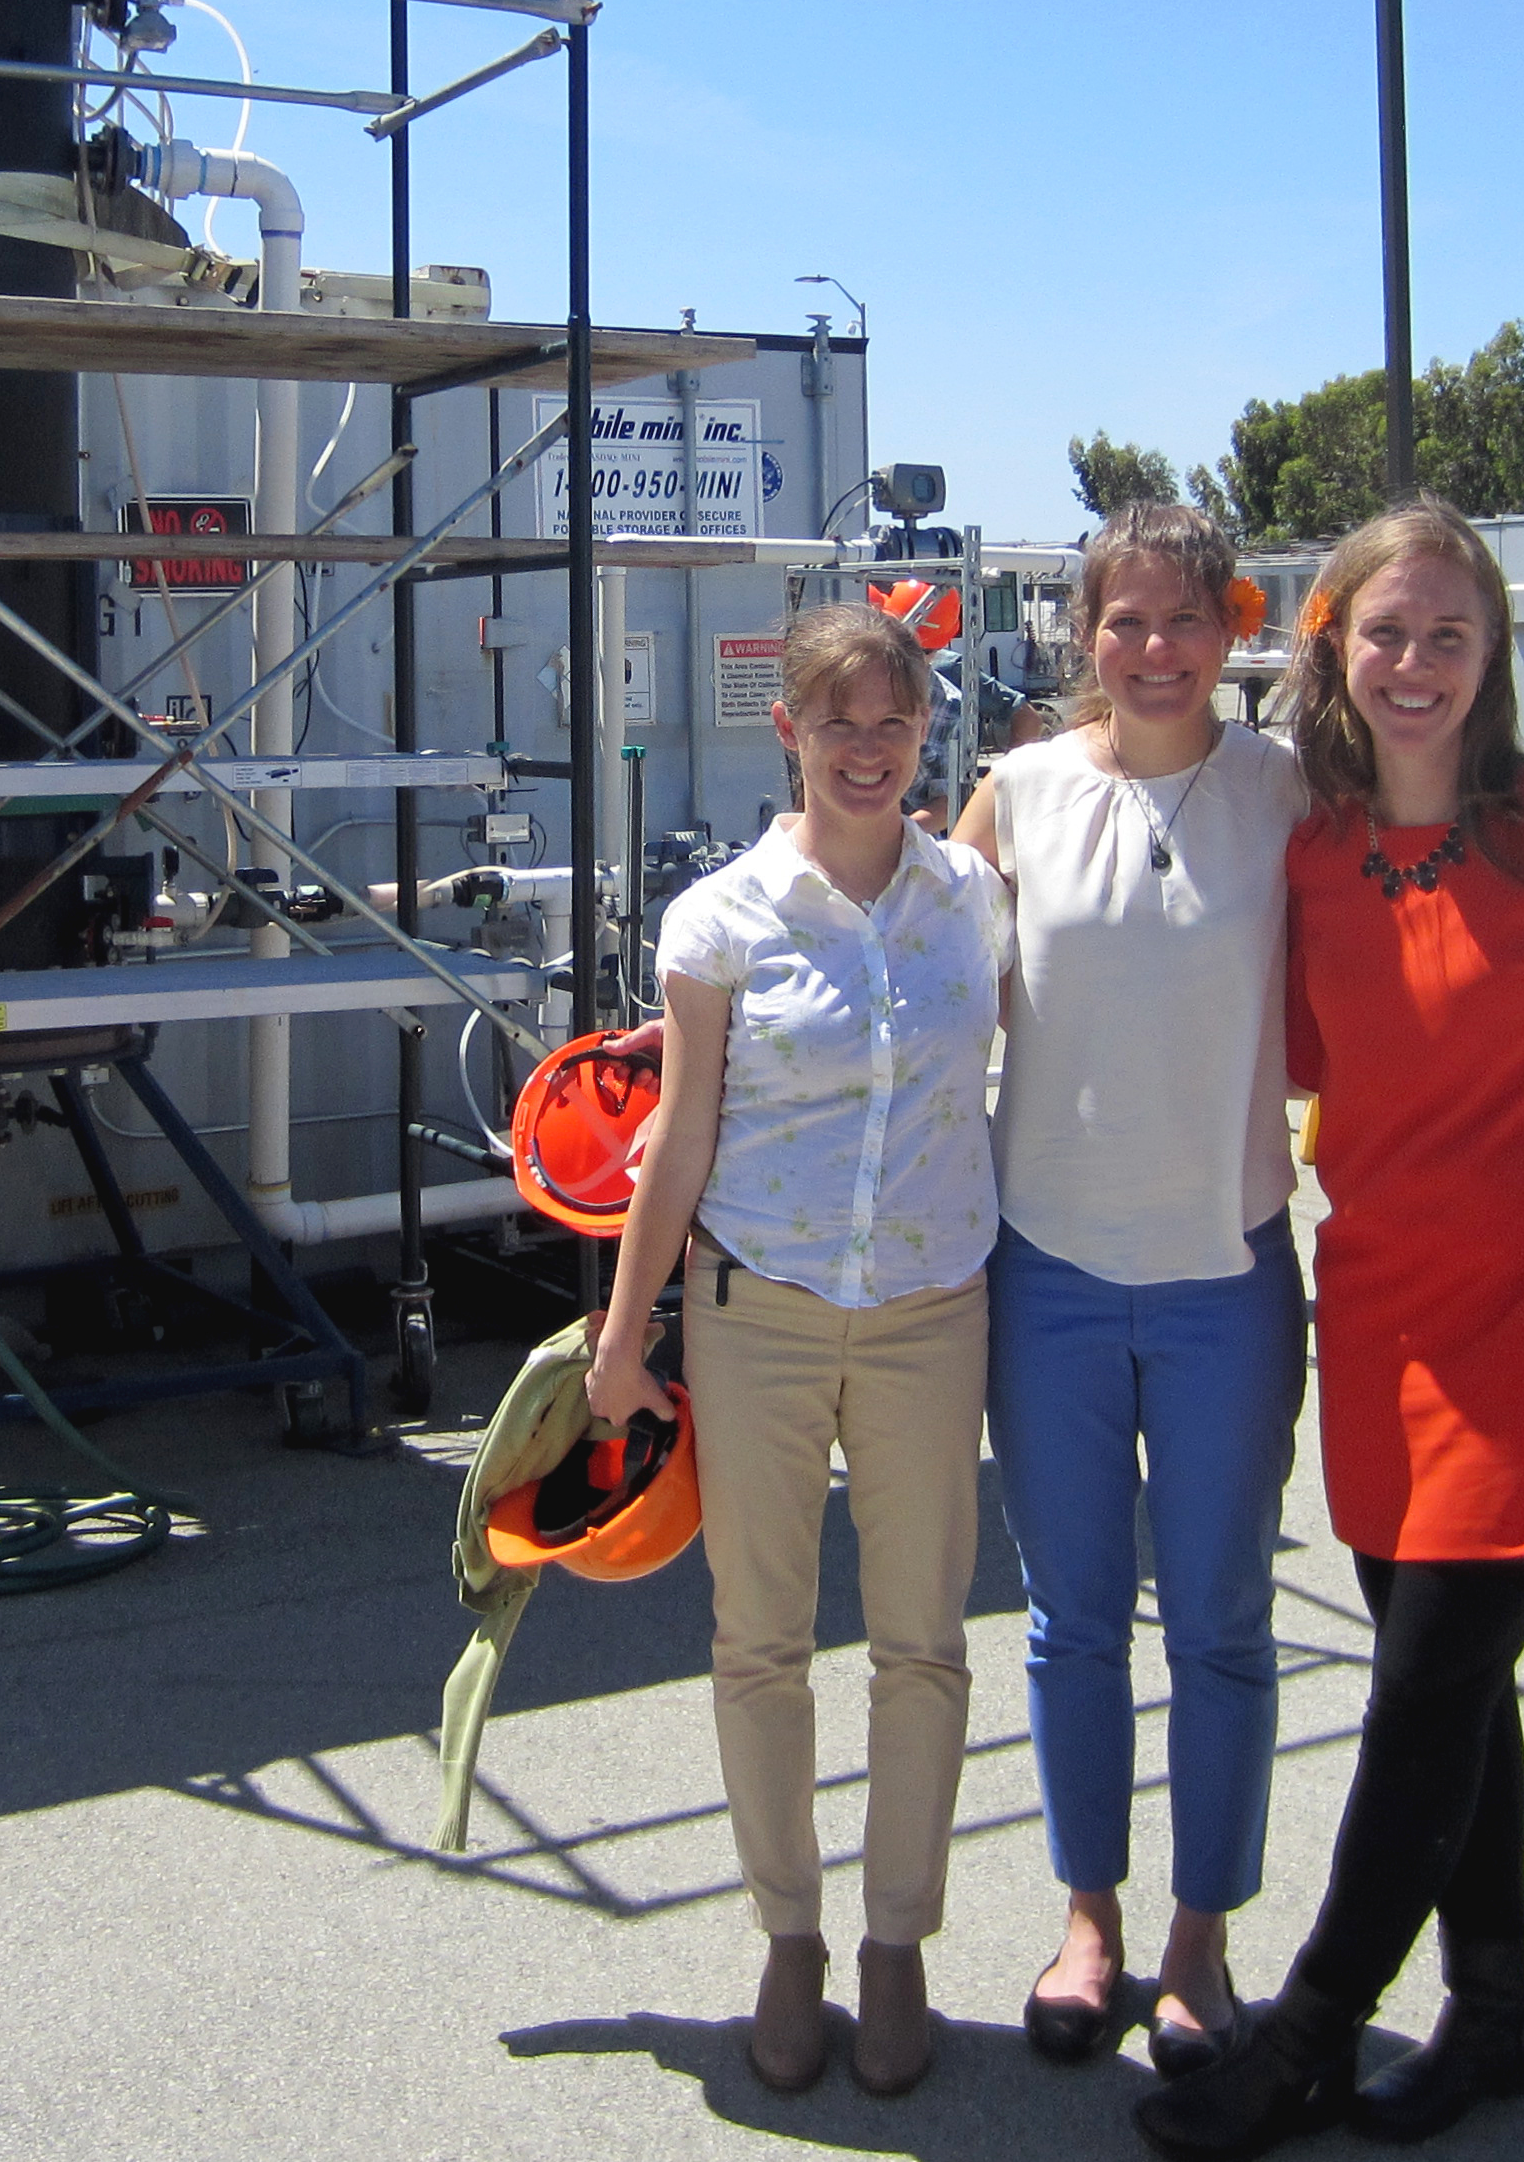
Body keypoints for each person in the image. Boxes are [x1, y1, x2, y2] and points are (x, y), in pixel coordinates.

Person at [1136, 498, 1524, 2160]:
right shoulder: (1315, 848)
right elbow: (1288, 1041)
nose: (1412, 665)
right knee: (1458, 1690)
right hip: (1382, 1324)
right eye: (1383, 634)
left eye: (1446, 636)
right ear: (1334, 644)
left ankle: (1312, 2031)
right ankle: (1496, 2009)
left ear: (1490, 655)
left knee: (1416, 1698)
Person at [584, 600, 1014, 2100]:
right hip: (756, 1306)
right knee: (759, 1642)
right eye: (837, 719)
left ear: (923, 735)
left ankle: (896, 1939)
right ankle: (788, 1934)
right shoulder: (718, 918)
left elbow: (1033, 1062)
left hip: (928, 1309)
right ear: (787, 728)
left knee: (921, 1643)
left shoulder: (971, 896)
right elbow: (680, 1134)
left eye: (893, 722)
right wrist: (623, 1334)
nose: (867, 747)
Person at [950, 504, 1306, 2079]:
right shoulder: (1016, 795)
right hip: (1051, 1277)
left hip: (1229, 1268)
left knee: (1224, 1620)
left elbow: (1454, 888)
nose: (1155, 649)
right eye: (1123, 620)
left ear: (1229, 630)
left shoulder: (1290, 793)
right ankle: (1084, 1918)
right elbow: (888, 951)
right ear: (1080, 633)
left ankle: (1198, 1939)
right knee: (1072, 1621)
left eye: (1184, 620)